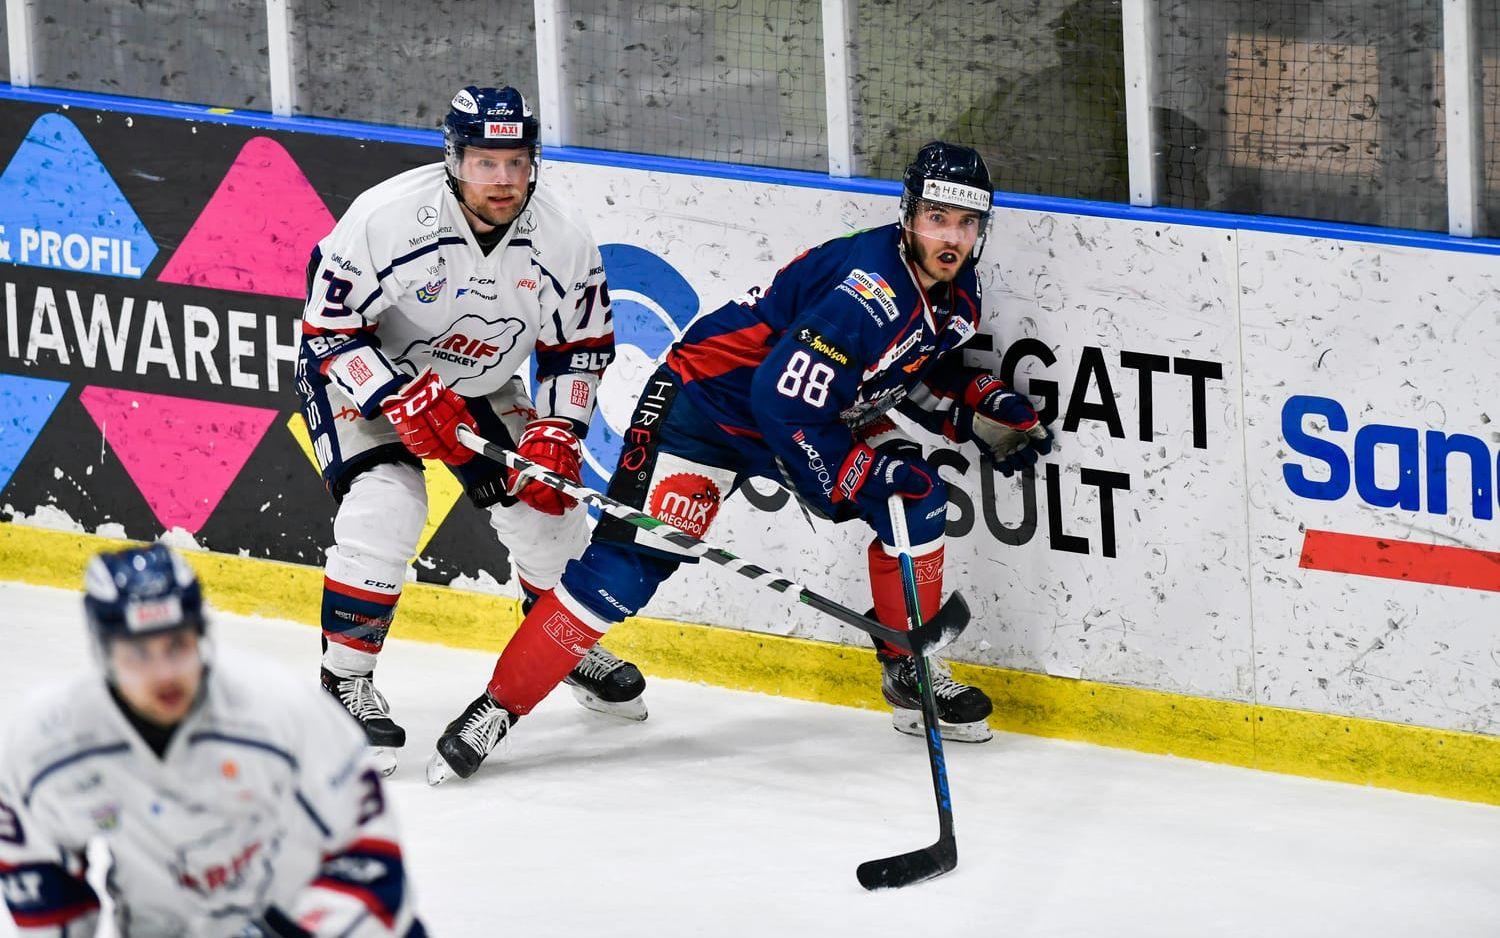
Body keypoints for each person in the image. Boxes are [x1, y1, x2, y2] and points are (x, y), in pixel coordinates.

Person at [425, 141, 1055, 783]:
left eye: (966, 222)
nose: (951, 237)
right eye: (937, 218)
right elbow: (781, 399)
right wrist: (846, 480)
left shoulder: (956, 292)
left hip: (791, 413)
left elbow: (904, 363)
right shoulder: (866, 290)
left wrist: (974, 402)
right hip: (703, 412)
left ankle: (907, 669)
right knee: (625, 572)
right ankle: (495, 709)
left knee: (915, 497)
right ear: (908, 214)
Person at [296, 85, 646, 775]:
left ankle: (557, 646)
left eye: (517, 162)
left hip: (480, 383)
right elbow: (329, 329)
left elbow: (579, 349)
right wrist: (396, 397)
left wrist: (559, 429)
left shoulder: (563, 236)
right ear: (454, 159)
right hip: (365, 370)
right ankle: (346, 679)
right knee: (388, 507)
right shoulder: (389, 218)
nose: (505, 180)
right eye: (487, 163)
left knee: (550, 517)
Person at [0, 544, 424, 937]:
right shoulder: (49, 742)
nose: (164, 673)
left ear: (202, 635)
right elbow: (37, 875)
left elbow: (371, 856)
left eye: (177, 645)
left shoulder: (280, 711)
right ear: (102, 653)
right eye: (139, 653)